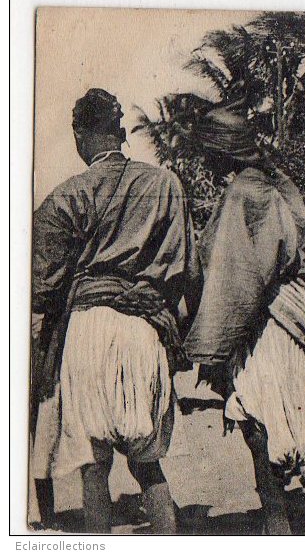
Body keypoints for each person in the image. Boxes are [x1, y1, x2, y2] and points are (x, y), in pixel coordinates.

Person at [31, 88, 200, 533]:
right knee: (147, 464)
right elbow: (187, 270)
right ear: (120, 131)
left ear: (81, 135)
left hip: (89, 330)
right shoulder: (165, 185)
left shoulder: (67, 196)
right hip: (144, 330)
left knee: (95, 467)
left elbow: (40, 284)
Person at [184, 101, 305, 535]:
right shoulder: (281, 186)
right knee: (275, 410)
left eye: (210, 154)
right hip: (291, 312)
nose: (208, 163)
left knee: (254, 414)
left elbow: (238, 273)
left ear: (224, 151)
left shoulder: (242, 195)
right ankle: (276, 513)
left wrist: (216, 338)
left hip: (265, 316)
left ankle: (275, 519)